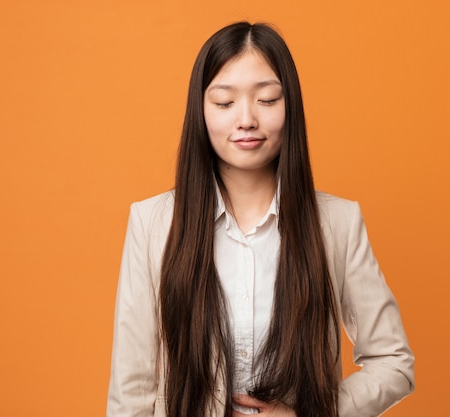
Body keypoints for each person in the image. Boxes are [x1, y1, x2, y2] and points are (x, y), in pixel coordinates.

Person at [106, 21, 414, 417]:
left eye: (267, 100)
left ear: (291, 108)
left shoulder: (337, 222)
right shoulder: (152, 223)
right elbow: (131, 389)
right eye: (224, 102)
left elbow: (394, 362)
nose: (246, 119)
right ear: (200, 111)